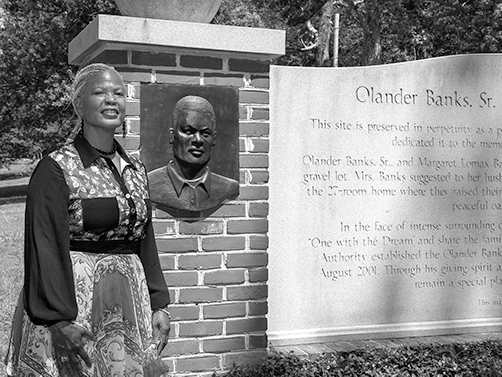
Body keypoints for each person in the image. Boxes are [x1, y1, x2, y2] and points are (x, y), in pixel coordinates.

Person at [4, 63, 171, 377]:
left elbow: (145, 240)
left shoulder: (136, 169)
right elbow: (44, 246)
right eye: (100, 92)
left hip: (127, 299)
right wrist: (59, 321)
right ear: (80, 104)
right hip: (74, 299)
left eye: (118, 93)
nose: (111, 100)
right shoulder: (56, 168)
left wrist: (158, 303)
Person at [148, 95, 239, 217]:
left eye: (205, 133)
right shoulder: (149, 185)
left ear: (214, 139)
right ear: (172, 135)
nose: (198, 140)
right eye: (188, 131)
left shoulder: (229, 188)